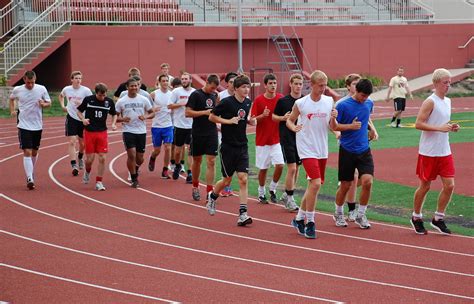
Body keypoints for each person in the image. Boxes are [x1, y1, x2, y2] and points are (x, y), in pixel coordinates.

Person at [286, 70, 336, 239]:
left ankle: (299, 218)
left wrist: (335, 123)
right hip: (306, 148)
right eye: (320, 85)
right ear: (312, 85)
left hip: (322, 148)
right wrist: (294, 128)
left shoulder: (329, 101)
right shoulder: (301, 103)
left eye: (325, 85)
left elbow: (332, 126)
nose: (323, 88)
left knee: (313, 186)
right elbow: (289, 120)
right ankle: (311, 222)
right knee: (315, 184)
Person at [410, 68, 459, 235]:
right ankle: (416, 217)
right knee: (425, 186)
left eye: (449, 82)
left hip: (444, 150)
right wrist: (439, 128)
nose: (448, 85)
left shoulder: (448, 101)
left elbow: (442, 122)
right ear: (436, 83)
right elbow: (418, 124)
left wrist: (451, 127)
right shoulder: (429, 101)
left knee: (449, 185)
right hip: (429, 151)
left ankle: (438, 218)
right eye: (445, 82)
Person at [207, 75, 256, 226]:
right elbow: (211, 117)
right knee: (227, 180)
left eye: (248, 87)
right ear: (235, 89)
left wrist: (251, 121)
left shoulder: (248, 102)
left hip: (242, 146)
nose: (246, 90)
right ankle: (213, 196)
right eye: (243, 87)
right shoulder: (226, 102)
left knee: (243, 179)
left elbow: (245, 119)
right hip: (228, 147)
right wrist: (228, 121)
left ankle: (243, 214)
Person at [330, 78, 377, 229]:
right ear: (356, 91)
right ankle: (338, 212)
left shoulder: (369, 103)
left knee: (368, 182)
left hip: (364, 149)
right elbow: (334, 127)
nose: (365, 99)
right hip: (347, 150)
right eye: (363, 95)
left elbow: (367, 118)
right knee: (346, 185)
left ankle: (361, 214)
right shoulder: (343, 105)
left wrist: (372, 130)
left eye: (367, 96)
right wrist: (350, 126)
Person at [9, 70, 51, 190]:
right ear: (24, 80)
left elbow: (49, 102)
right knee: (27, 151)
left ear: (35, 80)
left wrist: (43, 104)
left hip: (37, 125)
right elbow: (11, 99)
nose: (30, 85)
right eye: (28, 83)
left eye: (32, 82)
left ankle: (30, 172)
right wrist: (12, 110)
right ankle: (29, 178)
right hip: (23, 124)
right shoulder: (18, 89)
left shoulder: (41, 89)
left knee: (34, 152)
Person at [250, 73, 285, 204]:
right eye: (270, 83)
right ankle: (261, 192)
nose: (273, 86)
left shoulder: (281, 98)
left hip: (277, 140)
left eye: (274, 83)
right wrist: (262, 116)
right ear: (265, 85)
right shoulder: (259, 100)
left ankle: (273, 189)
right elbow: (252, 120)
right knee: (263, 168)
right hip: (262, 141)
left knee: (280, 165)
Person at [115, 78, 155, 188]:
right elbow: (115, 117)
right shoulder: (121, 101)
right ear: (127, 87)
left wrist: (145, 116)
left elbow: (152, 113)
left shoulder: (144, 99)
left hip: (141, 131)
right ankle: (134, 178)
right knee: (131, 154)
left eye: (136, 86)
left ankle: (135, 168)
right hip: (128, 131)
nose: (134, 88)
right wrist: (123, 119)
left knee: (140, 158)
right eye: (132, 86)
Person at [272, 73, 304, 212]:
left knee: (297, 169)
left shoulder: (304, 101)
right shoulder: (283, 101)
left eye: (300, 84)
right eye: (295, 83)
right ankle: (290, 198)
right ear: (290, 84)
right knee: (292, 168)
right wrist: (283, 117)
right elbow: (273, 117)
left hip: (301, 139)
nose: (298, 86)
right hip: (287, 138)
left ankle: (287, 193)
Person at [77, 83, 117, 191]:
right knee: (89, 159)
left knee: (102, 158)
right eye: (100, 95)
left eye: (104, 95)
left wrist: (113, 123)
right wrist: (83, 119)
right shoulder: (88, 100)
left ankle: (99, 181)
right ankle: (87, 171)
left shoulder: (109, 101)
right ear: (96, 93)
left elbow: (114, 113)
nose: (102, 97)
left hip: (102, 132)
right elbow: (79, 111)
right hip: (89, 132)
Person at [185, 74, 219, 201]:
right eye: (212, 87)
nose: (213, 90)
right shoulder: (196, 95)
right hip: (198, 133)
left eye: (215, 88)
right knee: (197, 161)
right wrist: (204, 112)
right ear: (206, 82)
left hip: (212, 132)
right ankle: (195, 186)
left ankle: (210, 192)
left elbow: (217, 110)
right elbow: (187, 112)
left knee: (211, 161)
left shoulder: (215, 95)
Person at [58, 71, 93, 176]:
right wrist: (63, 106)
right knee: (72, 141)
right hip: (71, 117)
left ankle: (80, 157)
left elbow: (92, 102)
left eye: (80, 78)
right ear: (72, 79)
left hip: (82, 118)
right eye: (76, 78)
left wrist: (82, 104)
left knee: (83, 144)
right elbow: (61, 96)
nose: (78, 80)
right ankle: (73, 165)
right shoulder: (67, 89)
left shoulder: (86, 90)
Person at [169, 72, 195, 183]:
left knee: (190, 150)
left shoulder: (194, 92)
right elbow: (169, 106)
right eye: (182, 79)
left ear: (190, 80)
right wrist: (181, 104)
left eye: (186, 79)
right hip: (179, 125)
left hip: (192, 125)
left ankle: (190, 173)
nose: (184, 81)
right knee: (178, 151)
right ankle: (178, 165)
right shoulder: (176, 92)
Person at [148, 74, 174, 179]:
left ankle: (165, 170)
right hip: (157, 126)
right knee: (157, 150)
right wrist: (153, 109)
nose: (165, 83)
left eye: (166, 81)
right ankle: (152, 157)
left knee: (168, 148)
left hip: (168, 125)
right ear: (159, 82)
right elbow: (147, 108)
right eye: (163, 81)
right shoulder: (153, 95)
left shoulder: (172, 94)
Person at [218, 71, 238, 197]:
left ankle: (227, 183)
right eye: (231, 82)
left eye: (235, 81)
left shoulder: (242, 96)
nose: (233, 84)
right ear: (227, 84)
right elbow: (215, 113)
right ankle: (226, 185)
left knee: (236, 159)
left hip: (237, 133)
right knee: (226, 158)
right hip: (223, 132)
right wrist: (219, 125)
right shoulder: (221, 96)